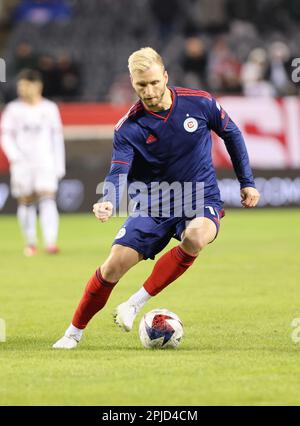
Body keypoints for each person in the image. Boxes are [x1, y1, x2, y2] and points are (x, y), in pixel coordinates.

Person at [53, 47, 260, 349]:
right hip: (154, 203)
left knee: (196, 237)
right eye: (140, 86)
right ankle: (73, 333)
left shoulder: (200, 102)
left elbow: (232, 134)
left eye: (153, 82)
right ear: (132, 83)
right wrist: (109, 198)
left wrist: (247, 182)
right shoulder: (128, 128)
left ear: (165, 76)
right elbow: (118, 169)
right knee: (112, 266)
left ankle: (135, 304)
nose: (148, 91)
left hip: (199, 197)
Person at [1, 69, 65, 256]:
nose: (22, 89)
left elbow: (56, 138)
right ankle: (30, 242)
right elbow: (5, 136)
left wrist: (59, 164)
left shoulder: (49, 108)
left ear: (37, 86)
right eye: (20, 86)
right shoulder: (13, 110)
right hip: (22, 163)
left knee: (47, 197)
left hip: (45, 161)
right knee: (26, 200)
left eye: (26, 85)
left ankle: (51, 242)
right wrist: (15, 157)